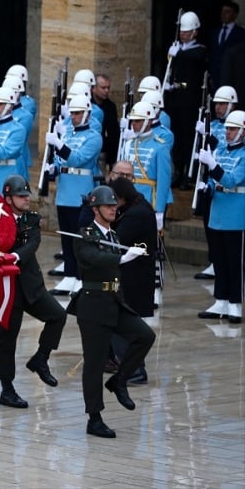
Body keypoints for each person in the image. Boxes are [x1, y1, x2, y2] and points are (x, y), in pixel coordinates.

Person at [69, 185, 156, 438]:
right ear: (96, 209)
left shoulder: (114, 236)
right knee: (94, 364)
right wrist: (121, 258)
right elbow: (91, 258)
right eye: (108, 206)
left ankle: (119, 380)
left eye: (114, 206)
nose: (113, 209)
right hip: (93, 305)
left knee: (145, 336)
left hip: (115, 302)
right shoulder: (85, 234)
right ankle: (94, 418)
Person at [0, 175, 67, 408]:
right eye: (21, 196)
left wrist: (14, 256)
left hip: (30, 284)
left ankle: (40, 358)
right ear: (8, 198)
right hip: (6, 286)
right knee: (7, 339)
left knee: (58, 315)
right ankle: (7, 388)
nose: (26, 199)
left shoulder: (31, 218)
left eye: (27, 195)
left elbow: (32, 243)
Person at [45, 94, 103, 296]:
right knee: (67, 236)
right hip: (64, 190)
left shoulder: (94, 136)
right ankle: (69, 275)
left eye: (78, 113)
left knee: (81, 238)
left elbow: (78, 159)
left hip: (81, 190)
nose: (74, 117)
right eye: (73, 113)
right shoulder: (68, 133)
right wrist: (53, 165)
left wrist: (59, 145)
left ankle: (81, 276)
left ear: (87, 113)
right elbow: (63, 161)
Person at [196, 109, 245, 323]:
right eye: (227, 128)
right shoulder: (222, 150)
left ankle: (235, 304)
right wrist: (207, 187)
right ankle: (221, 301)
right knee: (220, 260)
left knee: (234, 262)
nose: (228, 132)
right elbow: (215, 181)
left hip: (236, 212)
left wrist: (213, 166)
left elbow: (232, 180)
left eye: (233, 129)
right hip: (217, 210)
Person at [108, 175, 157, 384]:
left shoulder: (136, 215)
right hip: (135, 276)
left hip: (133, 279)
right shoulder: (139, 206)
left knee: (123, 324)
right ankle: (119, 363)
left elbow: (116, 241)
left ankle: (135, 370)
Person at [164, 11, 208, 188]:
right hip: (176, 98)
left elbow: (196, 58)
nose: (183, 35)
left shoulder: (199, 50)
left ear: (195, 32)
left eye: (186, 32)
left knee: (188, 137)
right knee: (176, 137)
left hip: (190, 100)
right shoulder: (177, 48)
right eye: (181, 32)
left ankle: (189, 175)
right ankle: (178, 171)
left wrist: (179, 54)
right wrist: (168, 84)